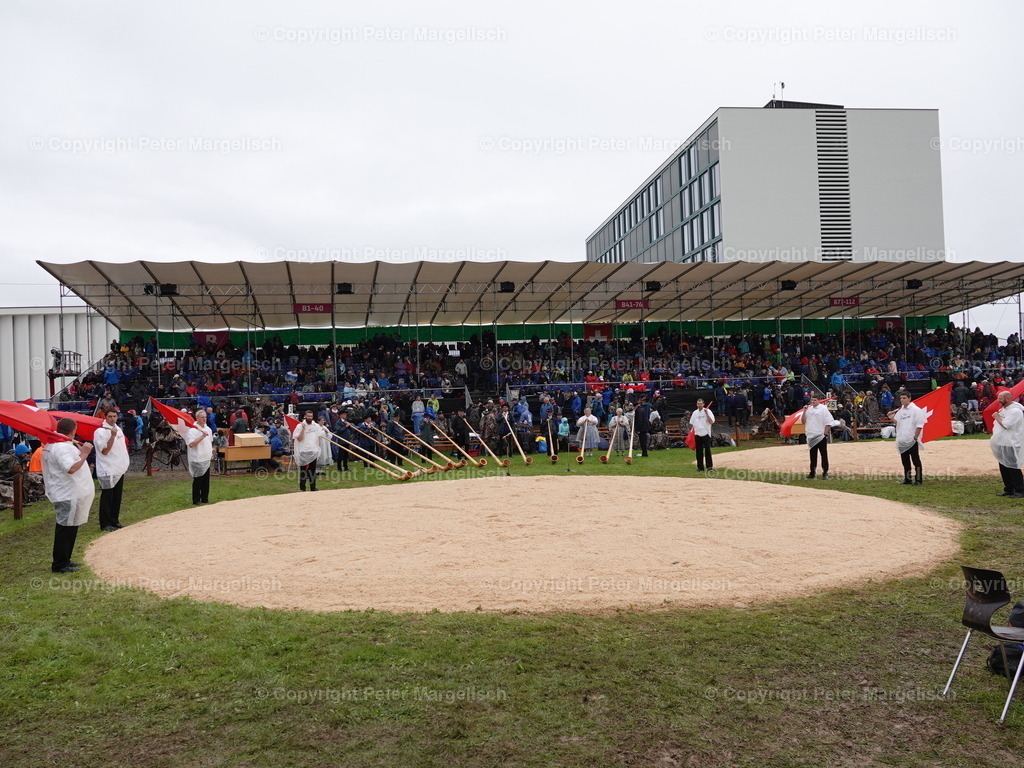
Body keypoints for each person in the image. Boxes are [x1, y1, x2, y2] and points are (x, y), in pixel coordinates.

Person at [43, 418, 95, 573]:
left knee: (70, 526)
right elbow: (71, 468)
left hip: (65, 491)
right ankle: (60, 563)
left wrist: (79, 450)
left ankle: (66, 559)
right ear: (73, 430)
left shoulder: (55, 444)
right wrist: (84, 453)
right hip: (66, 492)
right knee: (65, 528)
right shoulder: (61, 447)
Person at [94, 408, 130, 530]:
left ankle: (115, 520)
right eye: (110, 416)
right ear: (105, 417)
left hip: (118, 467)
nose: (112, 419)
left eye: (114, 416)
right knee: (107, 497)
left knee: (117, 496)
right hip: (107, 468)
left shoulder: (118, 428)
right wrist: (112, 436)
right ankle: (105, 523)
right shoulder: (100, 431)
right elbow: (104, 450)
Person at [991, 390, 1024, 498]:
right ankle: (1009, 489)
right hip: (1002, 442)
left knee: (1012, 467)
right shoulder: (1004, 409)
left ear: (1008, 398)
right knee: (1003, 466)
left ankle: (1019, 490)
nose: (998, 400)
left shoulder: (1016, 411)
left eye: (1000, 398)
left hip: (1011, 442)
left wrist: (997, 417)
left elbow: (1006, 425)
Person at [890, 392, 925, 485]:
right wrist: (892, 418)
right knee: (905, 461)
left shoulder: (916, 410)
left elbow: (919, 425)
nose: (902, 400)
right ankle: (907, 479)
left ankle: (918, 480)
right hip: (902, 439)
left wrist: (915, 437)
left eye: (904, 398)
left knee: (915, 460)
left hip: (911, 439)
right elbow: (899, 423)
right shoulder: (900, 410)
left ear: (909, 398)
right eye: (901, 398)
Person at [801, 396, 840, 479]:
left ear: (819, 401)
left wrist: (825, 433)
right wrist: (804, 411)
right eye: (812, 400)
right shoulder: (809, 409)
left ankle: (825, 472)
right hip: (811, 435)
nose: (813, 401)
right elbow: (803, 421)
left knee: (824, 455)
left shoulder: (823, 409)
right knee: (812, 456)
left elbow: (829, 422)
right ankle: (812, 472)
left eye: (815, 400)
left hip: (820, 436)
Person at [186, 409, 214, 504]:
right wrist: (202, 436)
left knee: (206, 481)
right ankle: (196, 499)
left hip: (206, 458)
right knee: (198, 480)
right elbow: (191, 444)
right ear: (197, 418)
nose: (204, 419)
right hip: (197, 458)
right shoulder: (192, 430)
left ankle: (205, 498)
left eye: (205, 417)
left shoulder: (208, 429)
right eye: (202, 417)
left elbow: (210, 442)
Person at [292, 411, 321, 491]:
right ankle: (302, 487)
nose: (310, 418)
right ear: (305, 416)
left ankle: (313, 487)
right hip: (304, 450)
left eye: (311, 416)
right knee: (303, 470)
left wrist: (317, 447)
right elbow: (299, 439)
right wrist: (303, 429)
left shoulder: (315, 426)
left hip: (313, 450)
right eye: (308, 416)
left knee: (313, 470)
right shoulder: (299, 426)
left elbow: (318, 437)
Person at [689, 398, 716, 472]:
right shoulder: (695, 413)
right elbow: (692, 423)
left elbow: (711, 421)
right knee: (699, 451)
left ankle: (709, 467)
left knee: (707, 450)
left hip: (706, 433)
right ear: (696, 404)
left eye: (701, 403)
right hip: (697, 433)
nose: (699, 405)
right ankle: (700, 467)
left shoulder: (708, 411)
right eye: (698, 404)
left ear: (703, 404)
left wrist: (706, 413)